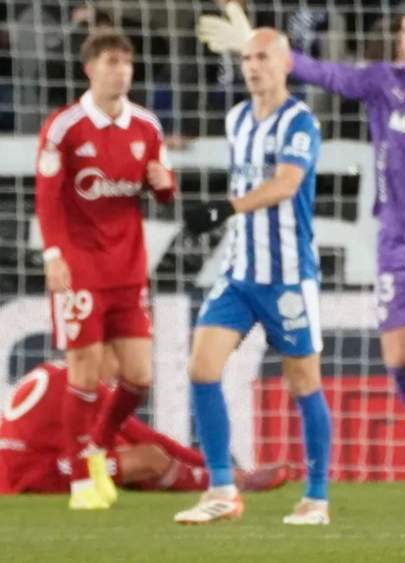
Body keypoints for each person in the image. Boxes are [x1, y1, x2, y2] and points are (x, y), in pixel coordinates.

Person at [196, 0, 405, 463]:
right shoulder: (385, 82)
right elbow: (328, 74)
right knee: (400, 360)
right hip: (398, 241)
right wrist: (268, 49)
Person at [175, 28, 332, 526]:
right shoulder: (237, 118)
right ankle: (222, 488)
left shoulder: (300, 122)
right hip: (240, 273)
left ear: (285, 64)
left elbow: (286, 184)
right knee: (201, 368)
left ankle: (316, 498)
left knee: (304, 382)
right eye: (246, 58)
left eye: (262, 57)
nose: (252, 66)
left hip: (288, 277)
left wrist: (226, 208)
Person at [34, 30, 176, 510]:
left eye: (127, 63)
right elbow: (48, 197)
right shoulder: (65, 127)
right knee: (85, 373)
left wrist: (165, 183)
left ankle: (96, 444)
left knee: (139, 376)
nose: (121, 71)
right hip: (80, 269)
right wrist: (54, 255)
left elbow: (164, 188)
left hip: (129, 270)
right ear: (90, 68)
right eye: (112, 62)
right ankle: (80, 482)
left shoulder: (147, 126)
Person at [0, 358, 288, 495]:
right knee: (149, 458)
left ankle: (218, 479)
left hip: (17, 468)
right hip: (36, 475)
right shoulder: (87, 384)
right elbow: (149, 439)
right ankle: (231, 482)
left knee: (122, 449)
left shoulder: (59, 369)